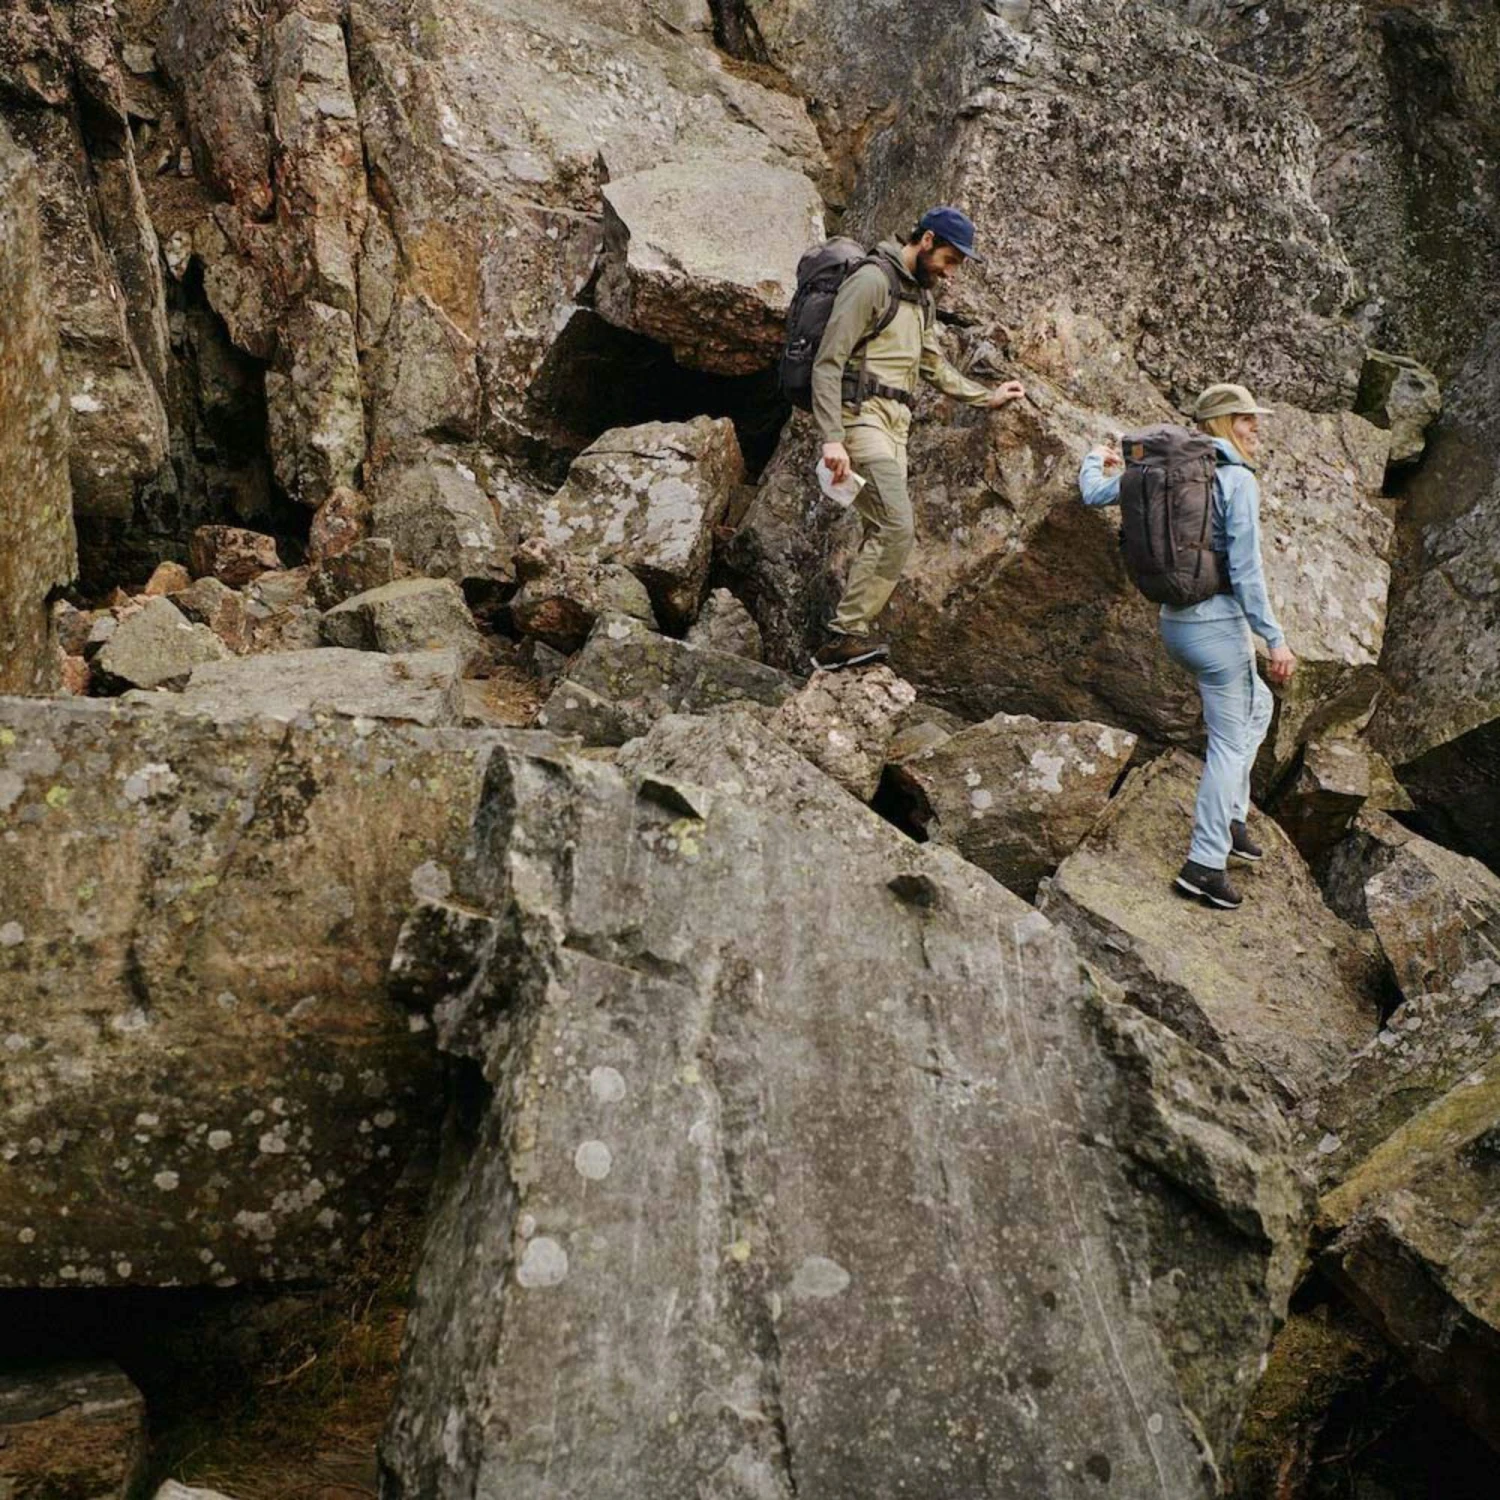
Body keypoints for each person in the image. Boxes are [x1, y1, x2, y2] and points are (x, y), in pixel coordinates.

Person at [1078, 383, 1298, 910]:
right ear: (1223, 423)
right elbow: (1246, 569)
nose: (1256, 426)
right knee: (1227, 744)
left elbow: (1094, 493)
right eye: (1246, 418)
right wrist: (1275, 638)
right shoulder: (1236, 480)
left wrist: (1093, 458)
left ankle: (1233, 818)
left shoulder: (1160, 472)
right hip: (1219, 628)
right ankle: (1204, 864)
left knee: (1258, 708)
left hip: (1176, 623)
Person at [809, 207, 1027, 671]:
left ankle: (844, 641)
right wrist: (831, 438)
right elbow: (828, 361)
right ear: (926, 240)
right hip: (859, 420)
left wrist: (985, 397)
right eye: (949, 260)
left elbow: (932, 365)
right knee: (897, 526)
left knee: (883, 526)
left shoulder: (921, 299)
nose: (950, 274)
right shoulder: (872, 281)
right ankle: (844, 637)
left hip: (897, 427)